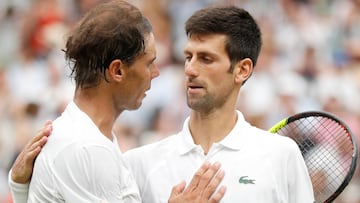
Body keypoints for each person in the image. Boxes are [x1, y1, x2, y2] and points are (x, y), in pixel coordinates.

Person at [9, 4, 314, 203]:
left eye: (206, 58)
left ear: (242, 69)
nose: (190, 69)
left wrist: (22, 189)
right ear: (117, 71)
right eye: (188, 57)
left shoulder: (281, 156)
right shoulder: (134, 162)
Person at [7, 1, 226, 203]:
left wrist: (19, 189)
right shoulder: (88, 147)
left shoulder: (87, 138)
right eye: (149, 63)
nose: (155, 73)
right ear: (118, 70)